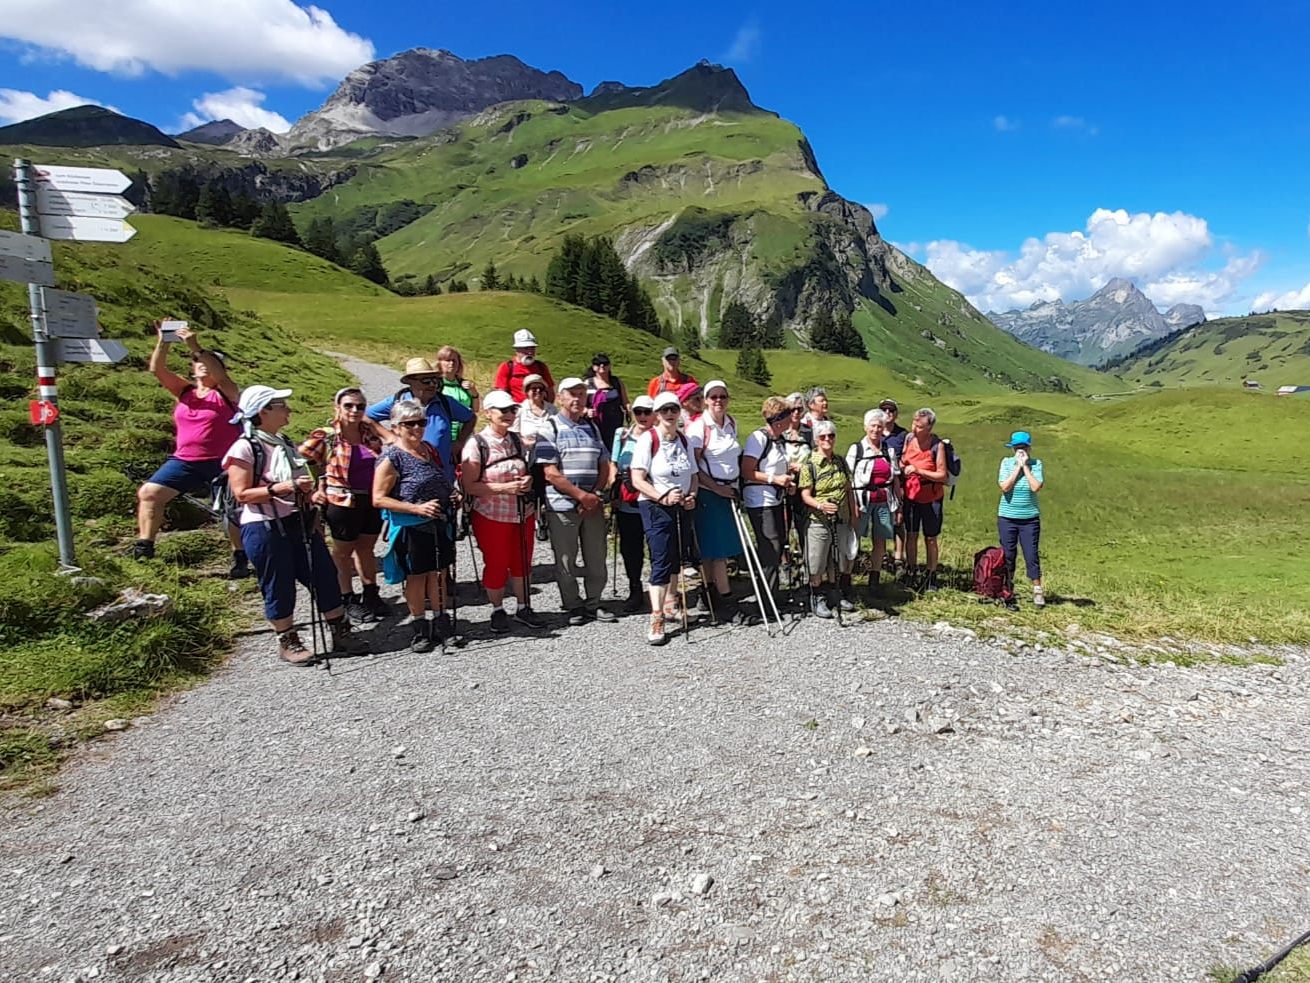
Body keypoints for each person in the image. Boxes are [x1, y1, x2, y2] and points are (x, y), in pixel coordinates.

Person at [223, 385, 369, 666]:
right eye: (280, 405)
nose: (287, 410)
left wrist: (310, 498)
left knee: (323, 575)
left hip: (298, 520)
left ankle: (340, 632)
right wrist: (285, 487)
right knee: (279, 582)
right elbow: (242, 493)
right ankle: (287, 639)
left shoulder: (284, 443)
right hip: (264, 525)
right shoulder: (245, 447)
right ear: (263, 411)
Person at [134, 321, 248, 576]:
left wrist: (195, 346)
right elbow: (158, 370)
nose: (203, 363)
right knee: (150, 494)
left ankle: (240, 556)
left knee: (231, 509)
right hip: (185, 460)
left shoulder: (227, 393)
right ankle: (145, 547)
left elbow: (221, 377)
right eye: (198, 361)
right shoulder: (185, 391)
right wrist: (163, 341)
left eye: (211, 361)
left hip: (224, 460)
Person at [372, 400, 459, 653]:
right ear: (396, 427)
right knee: (417, 575)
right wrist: (416, 508)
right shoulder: (391, 457)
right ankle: (420, 625)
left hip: (438, 521)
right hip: (412, 525)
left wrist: (452, 494)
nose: (417, 428)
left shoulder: (428, 449)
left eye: (421, 422)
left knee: (439, 571)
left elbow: (439, 479)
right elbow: (378, 498)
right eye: (410, 424)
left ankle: (441, 619)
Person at [298, 388, 391, 622]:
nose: (354, 410)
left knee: (366, 547)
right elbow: (304, 457)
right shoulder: (326, 436)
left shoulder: (369, 433)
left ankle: (371, 593)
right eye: (349, 405)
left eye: (360, 406)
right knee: (342, 552)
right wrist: (318, 486)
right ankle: (347, 597)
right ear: (337, 407)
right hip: (341, 500)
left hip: (369, 499)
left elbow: (386, 450)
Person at [460, 391, 546, 631]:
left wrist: (527, 481)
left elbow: (525, 469)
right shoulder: (477, 444)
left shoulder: (517, 440)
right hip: (491, 515)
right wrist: (506, 488)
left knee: (522, 561)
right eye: (503, 411)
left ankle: (523, 607)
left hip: (522, 513)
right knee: (496, 563)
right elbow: (470, 485)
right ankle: (497, 610)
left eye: (512, 410)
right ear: (488, 413)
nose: (509, 415)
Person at [536, 377, 616, 625]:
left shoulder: (592, 427)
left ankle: (594, 602)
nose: (577, 399)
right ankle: (573, 605)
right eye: (572, 394)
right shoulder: (549, 427)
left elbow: (604, 463)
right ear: (560, 397)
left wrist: (595, 494)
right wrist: (581, 496)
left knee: (596, 557)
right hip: (562, 506)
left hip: (591, 503)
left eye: (582, 394)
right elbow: (549, 472)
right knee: (566, 559)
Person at [629, 392, 698, 645]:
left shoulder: (684, 440)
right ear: (657, 414)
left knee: (675, 557)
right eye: (664, 410)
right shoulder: (648, 439)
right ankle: (656, 616)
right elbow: (637, 479)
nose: (670, 414)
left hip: (680, 504)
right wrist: (661, 496)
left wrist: (692, 495)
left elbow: (693, 475)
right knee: (660, 559)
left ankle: (670, 604)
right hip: (655, 506)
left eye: (674, 409)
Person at [686, 379, 742, 618]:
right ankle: (726, 599)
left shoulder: (731, 424)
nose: (718, 401)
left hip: (728, 491)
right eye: (713, 397)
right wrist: (716, 489)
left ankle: (710, 593)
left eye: (723, 396)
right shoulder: (699, 428)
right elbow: (694, 465)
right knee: (717, 550)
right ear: (705, 400)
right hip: (710, 493)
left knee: (713, 548)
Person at [366, 357, 474, 471]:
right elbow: (365, 416)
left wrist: (459, 442)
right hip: (408, 473)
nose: (432, 385)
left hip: (442, 473)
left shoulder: (445, 402)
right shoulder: (398, 401)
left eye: (435, 380)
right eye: (426, 381)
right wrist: (389, 436)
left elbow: (471, 418)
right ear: (411, 382)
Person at [799, 420, 859, 618]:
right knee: (816, 561)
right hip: (818, 519)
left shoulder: (841, 461)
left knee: (837, 559)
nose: (827, 440)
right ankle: (817, 596)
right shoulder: (810, 464)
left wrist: (853, 512)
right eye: (823, 437)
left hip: (840, 518)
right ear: (816, 439)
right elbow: (805, 495)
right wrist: (820, 505)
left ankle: (835, 592)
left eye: (831, 436)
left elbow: (848, 489)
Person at [741, 396, 795, 607]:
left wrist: (786, 478)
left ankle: (772, 593)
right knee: (769, 546)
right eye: (788, 415)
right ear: (779, 418)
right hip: (760, 500)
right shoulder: (758, 438)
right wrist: (775, 479)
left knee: (778, 544)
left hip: (774, 498)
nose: (792, 419)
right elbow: (747, 470)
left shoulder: (778, 439)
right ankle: (766, 598)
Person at [847, 409, 900, 595]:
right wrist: (851, 504)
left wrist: (898, 504)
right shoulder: (857, 449)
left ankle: (874, 580)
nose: (876, 430)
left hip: (884, 501)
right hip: (862, 501)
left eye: (879, 426)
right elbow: (848, 478)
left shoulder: (888, 451)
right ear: (865, 427)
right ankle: (846, 579)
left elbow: (895, 479)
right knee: (855, 538)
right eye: (873, 426)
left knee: (880, 541)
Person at [611, 395, 656, 613]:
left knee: (656, 548)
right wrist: (613, 486)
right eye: (638, 412)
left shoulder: (659, 436)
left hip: (653, 501)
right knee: (631, 549)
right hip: (627, 502)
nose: (642, 416)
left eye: (647, 412)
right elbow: (613, 463)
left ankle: (658, 590)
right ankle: (635, 588)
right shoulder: (622, 435)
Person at [901, 407, 949, 591]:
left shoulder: (938, 446)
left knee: (930, 537)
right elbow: (904, 460)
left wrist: (919, 471)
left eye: (919, 426)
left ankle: (931, 575)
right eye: (914, 423)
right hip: (911, 495)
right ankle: (911, 570)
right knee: (911, 534)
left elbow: (942, 475)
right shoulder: (909, 439)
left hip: (932, 498)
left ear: (929, 428)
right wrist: (902, 466)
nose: (914, 428)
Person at [997, 430, 1045, 609]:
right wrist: (1017, 467)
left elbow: (1036, 487)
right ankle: (1008, 588)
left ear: (1029, 448)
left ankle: (1037, 590)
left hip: (1029, 518)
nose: (1019, 451)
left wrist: (1026, 467)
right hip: (1007, 517)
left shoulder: (1036, 464)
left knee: (1031, 554)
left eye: (1023, 448)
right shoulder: (1006, 463)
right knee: (1008, 555)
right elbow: (1004, 486)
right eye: (1016, 448)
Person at [878, 398, 910, 570]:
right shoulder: (875, 431)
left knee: (899, 520)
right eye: (884, 410)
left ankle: (899, 556)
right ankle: (881, 555)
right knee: (881, 519)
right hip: (879, 482)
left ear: (896, 414)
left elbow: (906, 456)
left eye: (891, 411)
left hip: (897, 481)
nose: (888, 414)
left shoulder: (902, 435)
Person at [493, 329, 555, 402]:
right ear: (517, 350)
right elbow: (501, 394)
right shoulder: (507, 367)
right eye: (526, 348)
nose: (530, 352)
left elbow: (550, 392)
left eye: (532, 348)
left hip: (539, 409)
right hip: (516, 410)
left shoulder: (541, 367)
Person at [584, 352, 629, 450]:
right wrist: (587, 411)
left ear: (609, 366)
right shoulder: (587, 383)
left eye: (605, 363)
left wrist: (630, 412)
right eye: (598, 363)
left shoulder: (616, 382)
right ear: (593, 367)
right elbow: (581, 405)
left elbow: (625, 402)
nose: (602, 366)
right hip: (595, 423)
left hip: (615, 422)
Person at [435, 345, 480, 443]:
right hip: (444, 435)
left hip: (465, 434)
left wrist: (474, 392)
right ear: (439, 363)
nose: (451, 363)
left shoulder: (464, 384)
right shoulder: (435, 385)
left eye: (454, 360)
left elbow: (475, 409)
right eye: (447, 360)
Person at [511, 373, 557, 446]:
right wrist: (531, 443)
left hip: (550, 448)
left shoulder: (552, 409)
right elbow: (514, 435)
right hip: (528, 451)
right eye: (534, 389)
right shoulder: (519, 409)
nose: (538, 391)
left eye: (541, 389)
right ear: (527, 392)